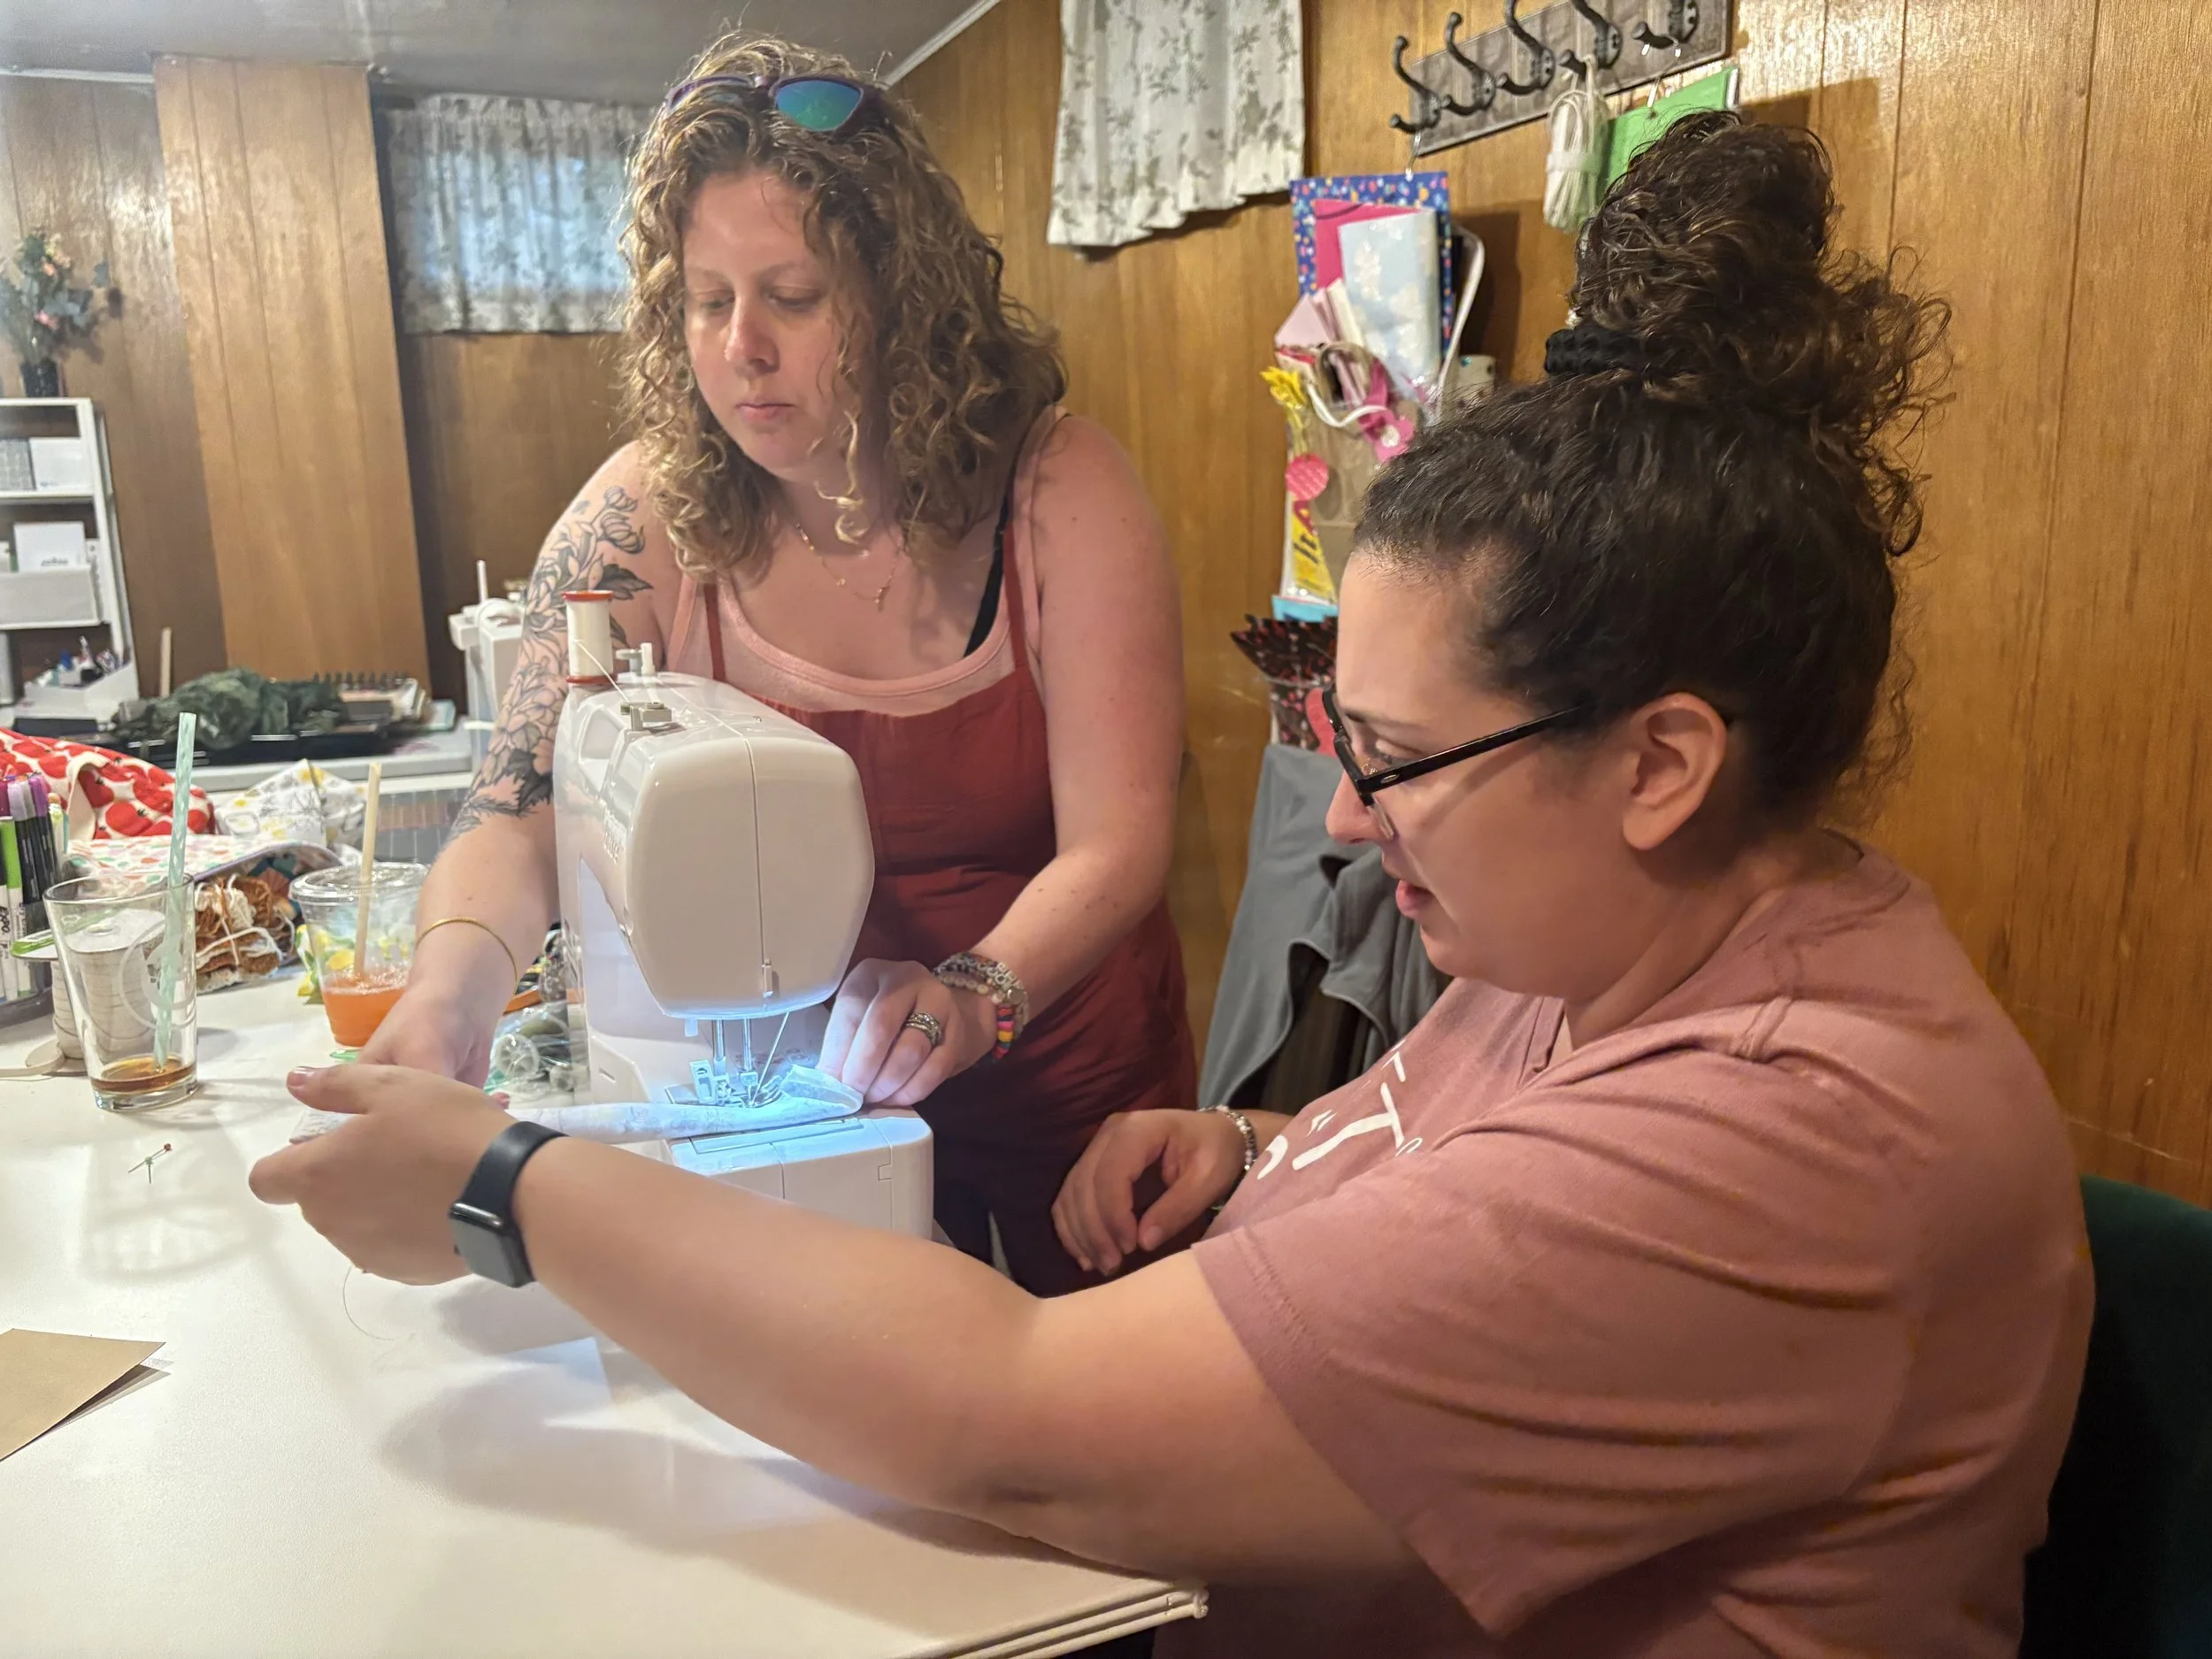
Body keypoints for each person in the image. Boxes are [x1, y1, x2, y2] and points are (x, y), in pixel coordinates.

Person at [255, 114, 2092, 1655]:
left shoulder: (1786, 1143)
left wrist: (510, 1181)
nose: (1347, 826)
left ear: (1657, 763)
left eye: (1390, 758)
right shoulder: (1602, 936)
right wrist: (1263, 1142)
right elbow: (1463, 1150)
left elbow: (1011, 1423)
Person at [364, 35, 1193, 1294]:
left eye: (792, 297)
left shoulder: (1058, 492)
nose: (740, 347)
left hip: (1067, 1109)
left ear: (903, 298)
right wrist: (451, 999)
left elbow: (1119, 843)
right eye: (707, 301)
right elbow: (516, 809)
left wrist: (972, 996)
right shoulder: (644, 520)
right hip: (805, 1107)